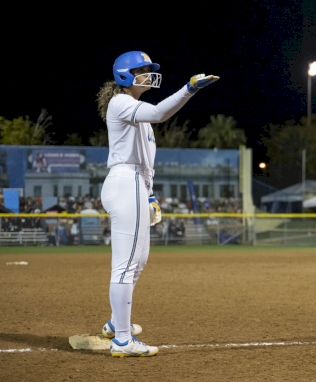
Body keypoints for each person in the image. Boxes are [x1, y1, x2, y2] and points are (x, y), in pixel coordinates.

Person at [95, 50, 219, 357]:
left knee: (139, 260)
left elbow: (146, 163)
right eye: (142, 69)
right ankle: (122, 339)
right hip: (125, 182)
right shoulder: (121, 101)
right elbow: (161, 112)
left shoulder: (135, 109)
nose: (149, 73)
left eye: (149, 68)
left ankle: (115, 323)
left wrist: (150, 195)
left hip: (135, 185)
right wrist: (189, 89)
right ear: (125, 75)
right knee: (125, 266)